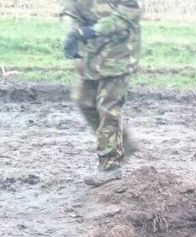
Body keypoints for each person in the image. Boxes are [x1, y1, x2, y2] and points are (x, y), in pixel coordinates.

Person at [60, 0, 142, 186]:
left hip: (118, 57)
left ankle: (110, 167)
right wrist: (72, 34)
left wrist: (90, 31)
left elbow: (126, 17)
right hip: (91, 56)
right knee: (84, 102)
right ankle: (124, 143)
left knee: (108, 108)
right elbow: (71, 11)